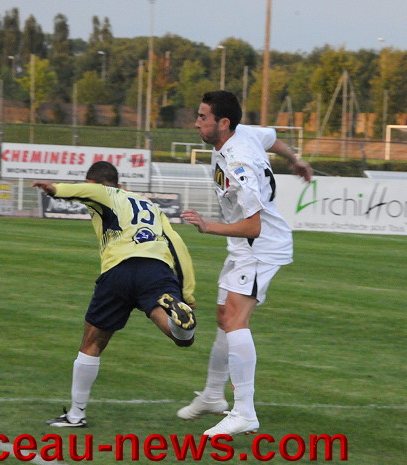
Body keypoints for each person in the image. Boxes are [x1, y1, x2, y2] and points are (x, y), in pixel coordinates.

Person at [177, 90, 311, 437]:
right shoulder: (244, 132)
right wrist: (295, 159)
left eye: (203, 117)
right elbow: (272, 138)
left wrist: (207, 226)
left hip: (259, 247)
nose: (197, 123)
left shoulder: (239, 165)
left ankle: (244, 412)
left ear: (223, 123)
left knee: (236, 318)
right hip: (243, 246)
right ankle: (212, 395)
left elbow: (254, 226)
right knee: (224, 316)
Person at [32, 161, 197, 428]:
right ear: (121, 184)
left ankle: (76, 415)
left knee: (92, 341)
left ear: (95, 183)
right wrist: (186, 292)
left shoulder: (106, 193)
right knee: (180, 339)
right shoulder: (151, 206)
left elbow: (93, 191)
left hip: (119, 268)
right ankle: (182, 324)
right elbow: (176, 243)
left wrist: (56, 190)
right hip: (156, 268)